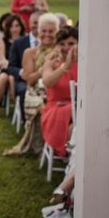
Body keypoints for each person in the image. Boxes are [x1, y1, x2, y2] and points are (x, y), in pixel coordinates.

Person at [3, 13, 59, 156]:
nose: (47, 34)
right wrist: (44, 68)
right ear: (38, 32)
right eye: (44, 31)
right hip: (34, 93)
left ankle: (56, 146)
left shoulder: (60, 52)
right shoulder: (29, 53)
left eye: (51, 31)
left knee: (56, 107)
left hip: (54, 91)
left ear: (57, 32)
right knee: (44, 108)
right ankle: (46, 145)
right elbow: (29, 80)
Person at [41, 27, 79, 157]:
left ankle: (74, 156)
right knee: (77, 116)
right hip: (56, 110)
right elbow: (47, 81)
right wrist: (65, 67)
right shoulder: (52, 62)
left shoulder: (84, 63)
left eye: (71, 44)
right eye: (62, 44)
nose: (66, 48)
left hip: (79, 110)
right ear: (57, 46)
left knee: (76, 127)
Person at [5, 11, 42, 119]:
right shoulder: (19, 43)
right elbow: (10, 67)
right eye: (34, 22)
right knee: (23, 90)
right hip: (23, 81)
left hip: (44, 80)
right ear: (29, 24)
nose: (37, 25)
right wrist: (22, 73)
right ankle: (26, 121)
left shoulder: (47, 42)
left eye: (40, 23)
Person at [0, 14, 26, 119]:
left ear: (21, 27)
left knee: (11, 78)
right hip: (7, 68)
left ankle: (15, 101)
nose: (14, 29)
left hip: (21, 69)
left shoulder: (25, 40)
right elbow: (2, 58)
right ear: (8, 28)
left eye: (17, 26)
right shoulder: (4, 41)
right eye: (11, 26)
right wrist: (9, 64)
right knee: (3, 77)